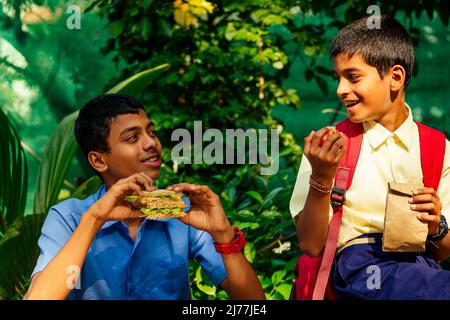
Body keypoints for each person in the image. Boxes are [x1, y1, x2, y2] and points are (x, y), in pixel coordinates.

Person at [25, 94, 265, 300]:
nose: (152, 143)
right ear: (99, 160)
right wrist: (95, 218)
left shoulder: (184, 214)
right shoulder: (69, 217)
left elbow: (253, 305)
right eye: (132, 138)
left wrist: (223, 234)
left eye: (152, 133)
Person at [290, 15, 450, 299]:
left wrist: (436, 225)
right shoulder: (328, 145)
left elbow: (442, 252)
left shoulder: (438, 147)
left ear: (395, 78)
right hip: (357, 267)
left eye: (352, 77)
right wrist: (321, 177)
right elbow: (311, 246)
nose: (340, 90)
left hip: (419, 268)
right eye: (338, 78)